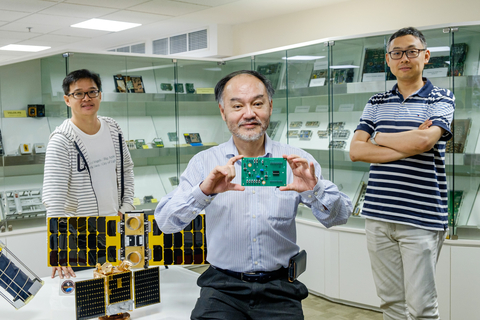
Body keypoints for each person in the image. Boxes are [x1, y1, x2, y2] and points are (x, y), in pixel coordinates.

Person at [155, 70, 353, 320]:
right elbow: (165, 222)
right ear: (223, 111)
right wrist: (203, 192)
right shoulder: (204, 162)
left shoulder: (296, 160)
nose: (249, 113)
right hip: (221, 288)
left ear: (270, 106)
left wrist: (315, 190)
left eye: (257, 103)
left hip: (280, 288)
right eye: (237, 105)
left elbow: (339, 217)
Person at [350, 27, 455, 320]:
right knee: (390, 303)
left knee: (422, 307)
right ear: (388, 59)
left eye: (411, 51)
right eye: (397, 53)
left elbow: (425, 141)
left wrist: (379, 137)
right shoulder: (376, 102)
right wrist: (409, 142)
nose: (404, 58)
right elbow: (356, 151)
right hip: (378, 216)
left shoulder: (441, 98)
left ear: (426, 55)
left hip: (421, 217)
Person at [42, 69, 135, 279]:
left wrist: (126, 207)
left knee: (118, 297)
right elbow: (53, 199)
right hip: (80, 236)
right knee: (87, 302)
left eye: (92, 92)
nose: (86, 98)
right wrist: (59, 249)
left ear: (100, 95)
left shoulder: (113, 129)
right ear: (67, 99)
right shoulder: (61, 140)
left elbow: (127, 170)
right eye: (78, 93)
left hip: (115, 230)